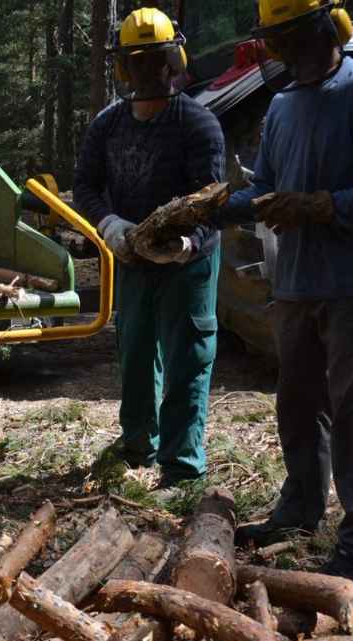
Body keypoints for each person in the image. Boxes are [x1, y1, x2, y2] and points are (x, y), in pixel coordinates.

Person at [224, 0, 353, 592]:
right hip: (296, 283)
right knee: (297, 405)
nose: (280, 52)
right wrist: (211, 208)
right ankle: (299, 509)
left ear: (321, 28)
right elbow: (266, 188)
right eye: (274, 40)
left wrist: (325, 206)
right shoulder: (284, 105)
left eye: (288, 37)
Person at [74, 7, 226, 490]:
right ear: (124, 67)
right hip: (133, 258)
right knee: (136, 353)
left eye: (156, 60)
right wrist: (109, 224)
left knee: (188, 357)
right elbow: (85, 185)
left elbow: (212, 200)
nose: (147, 71)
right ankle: (138, 445)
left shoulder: (198, 124)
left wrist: (188, 242)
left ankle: (182, 467)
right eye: (137, 61)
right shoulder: (108, 125)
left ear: (173, 61)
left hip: (188, 264)